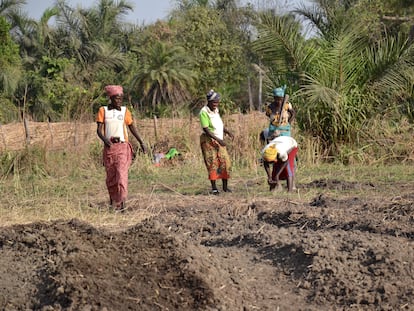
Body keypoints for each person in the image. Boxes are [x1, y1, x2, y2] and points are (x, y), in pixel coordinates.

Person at [96, 85, 147, 210]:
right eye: (116, 98)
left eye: (120, 98)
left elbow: (132, 127)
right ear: (111, 98)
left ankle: (122, 202)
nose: (119, 101)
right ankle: (113, 202)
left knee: (121, 175)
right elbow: (98, 130)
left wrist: (141, 142)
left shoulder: (125, 111)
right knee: (111, 176)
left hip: (123, 147)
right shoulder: (103, 111)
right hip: (109, 148)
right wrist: (105, 140)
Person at [199, 89, 234, 195]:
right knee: (212, 164)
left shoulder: (216, 110)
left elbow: (219, 125)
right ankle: (214, 188)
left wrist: (227, 132)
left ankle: (225, 187)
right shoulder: (204, 112)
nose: (216, 104)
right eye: (214, 102)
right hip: (209, 141)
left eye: (217, 102)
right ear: (208, 102)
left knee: (225, 162)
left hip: (219, 140)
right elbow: (206, 129)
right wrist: (219, 140)